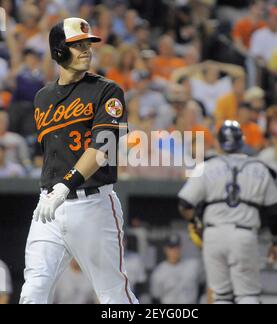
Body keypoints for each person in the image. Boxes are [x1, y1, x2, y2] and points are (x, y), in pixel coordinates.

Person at [20, 17, 138, 305]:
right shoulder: (42, 98)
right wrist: (54, 191)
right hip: (49, 207)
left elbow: (102, 148)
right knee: (33, 290)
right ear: (59, 50)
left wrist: (65, 186)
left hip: (93, 205)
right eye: (77, 45)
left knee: (113, 295)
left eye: (88, 44)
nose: (86, 50)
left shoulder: (107, 91)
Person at [178, 121, 277, 304]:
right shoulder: (259, 168)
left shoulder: (206, 166)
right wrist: (276, 241)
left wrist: (196, 223)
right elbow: (274, 212)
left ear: (219, 142)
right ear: (241, 141)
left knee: (221, 296)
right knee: (247, 295)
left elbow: (184, 203)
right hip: (244, 234)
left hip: (214, 234)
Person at [150, 233, 205, 304]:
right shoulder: (159, 272)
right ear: (165, 249)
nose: (174, 251)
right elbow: (155, 298)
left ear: (181, 247)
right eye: (171, 248)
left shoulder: (193, 265)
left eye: (177, 247)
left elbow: (202, 286)